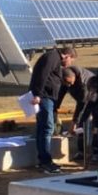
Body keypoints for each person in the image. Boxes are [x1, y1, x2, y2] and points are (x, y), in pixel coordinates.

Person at [29, 45, 76, 174]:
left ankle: (43, 160)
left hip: (46, 97)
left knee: (43, 127)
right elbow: (42, 75)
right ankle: (46, 162)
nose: (69, 64)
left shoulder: (53, 57)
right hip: (44, 97)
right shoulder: (52, 57)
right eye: (70, 60)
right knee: (47, 128)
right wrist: (37, 94)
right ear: (66, 56)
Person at [59, 64, 98, 163]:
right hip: (84, 100)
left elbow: (82, 104)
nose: (69, 85)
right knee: (80, 127)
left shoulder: (83, 83)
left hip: (95, 99)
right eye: (66, 84)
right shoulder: (66, 78)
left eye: (69, 82)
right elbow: (60, 94)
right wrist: (55, 108)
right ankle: (81, 152)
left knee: (95, 124)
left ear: (73, 77)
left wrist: (74, 122)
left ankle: (97, 152)